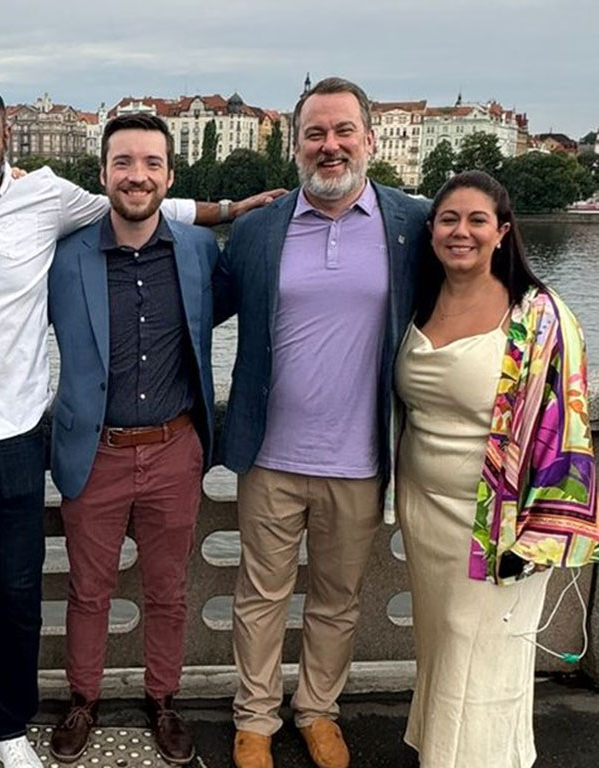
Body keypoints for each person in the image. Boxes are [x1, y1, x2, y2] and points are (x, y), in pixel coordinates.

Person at [0, 79, 277, 768]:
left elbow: (152, 207)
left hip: (20, 434)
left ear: (5, 134)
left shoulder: (47, 198)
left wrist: (234, 207)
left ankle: (14, 727)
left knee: (21, 594)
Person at [214, 77, 430, 768]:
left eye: (342, 132)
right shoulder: (256, 231)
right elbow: (196, 312)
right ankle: (254, 718)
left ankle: (316, 710)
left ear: (368, 140)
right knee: (260, 598)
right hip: (270, 454)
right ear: (296, 146)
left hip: (361, 457)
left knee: (337, 602)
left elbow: (478, 284)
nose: (329, 146)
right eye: (315, 133)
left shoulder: (412, 224)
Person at [395, 170, 597, 768]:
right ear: (431, 230)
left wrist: (539, 536)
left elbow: (570, 433)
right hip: (425, 511)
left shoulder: (539, 316)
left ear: (503, 232)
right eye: (449, 219)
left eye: (477, 220)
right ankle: (440, 751)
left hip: (500, 520)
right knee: (442, 648)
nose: (462, 232)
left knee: (482, 653)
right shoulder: (418, 299)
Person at [47, 113, 218, 765]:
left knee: (168, 591)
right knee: (88, 590)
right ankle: (83, 700)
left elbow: (222, 314)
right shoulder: (64, 258)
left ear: (170, 176)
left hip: (175, 449)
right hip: (96, 451)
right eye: (124, 163)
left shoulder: (200, 252)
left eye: (151, 163)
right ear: (103, 174)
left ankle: (163, 700)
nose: (137, 175)